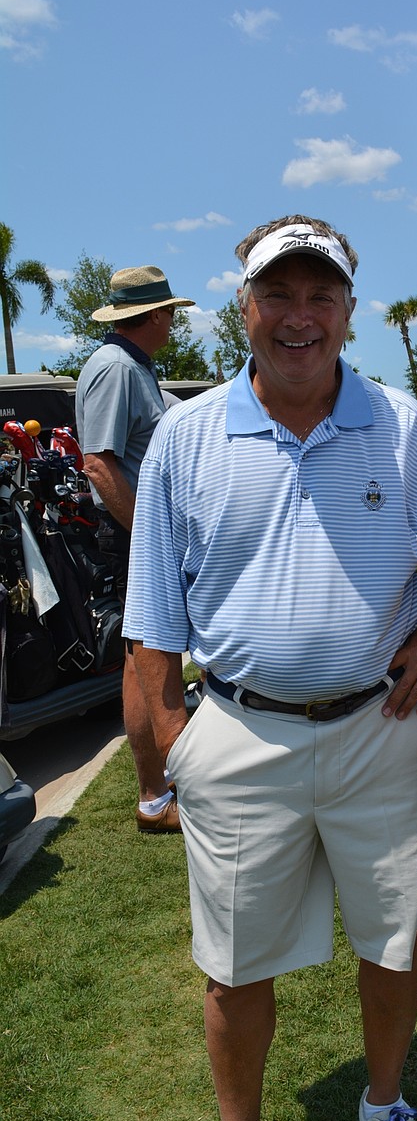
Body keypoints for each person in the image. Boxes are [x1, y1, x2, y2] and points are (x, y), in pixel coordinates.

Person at [123, 216, 417, 1121]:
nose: (299, 316)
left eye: (322, 296)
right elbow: (153, 624)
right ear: (245, 307)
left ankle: (383, 1106)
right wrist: (177, 749)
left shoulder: (402, 427)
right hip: (237, 731)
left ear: (349, 314)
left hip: (380, 730)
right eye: (279, 294)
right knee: (234, 965)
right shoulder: (186, 438)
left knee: (391, 942)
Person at [76, 266, 195, 833]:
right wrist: (147, 534)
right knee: (143, 661)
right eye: (169, 312)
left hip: (137, 537)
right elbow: (97, 463)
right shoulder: (116, 369)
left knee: (151, 657)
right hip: (130, 539)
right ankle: (152, 797)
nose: (173, 322)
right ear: (151, 316)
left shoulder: (134, 369)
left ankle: (162, 786)